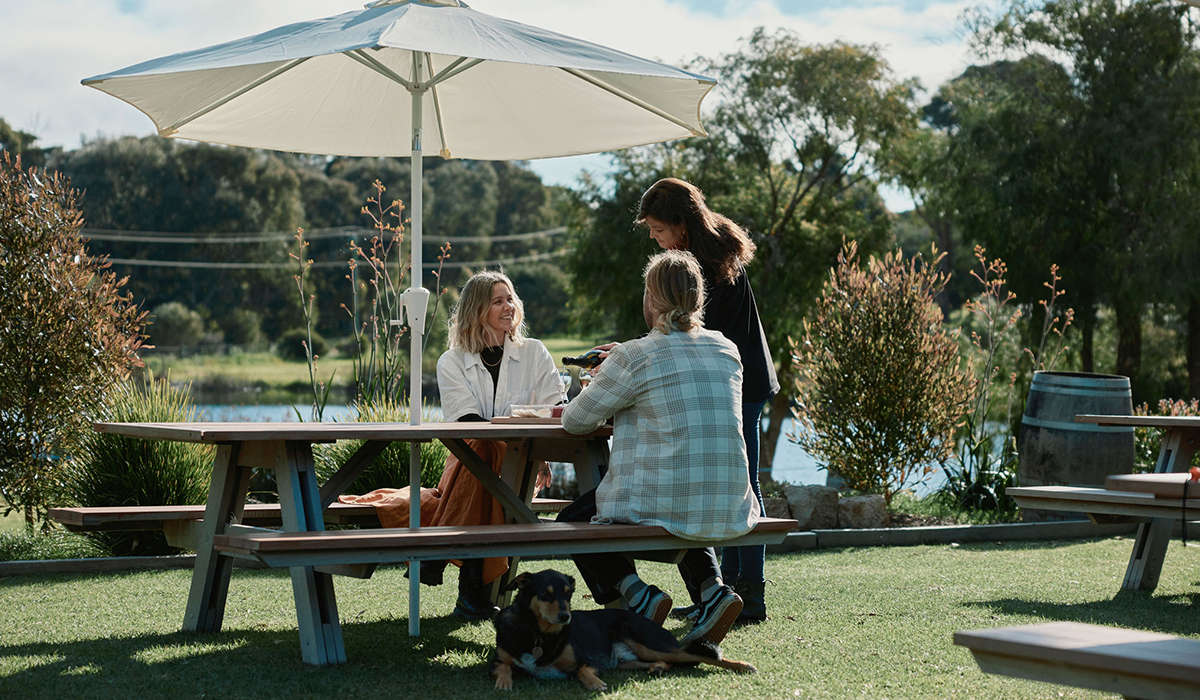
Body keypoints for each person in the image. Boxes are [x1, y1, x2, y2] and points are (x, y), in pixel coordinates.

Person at [557, 250, 760, 647]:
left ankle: (638, 595)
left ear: (651, 299)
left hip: (667, 500)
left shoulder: (635, 355)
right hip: (729, 499)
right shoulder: (726, 349)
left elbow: (575, 421)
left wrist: (598, 379)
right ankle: (713, 592)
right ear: (698, 299)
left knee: (571, 522)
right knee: (685, 501)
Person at [341, 270, 561, 620]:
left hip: (519, 470)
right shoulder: (452, 361)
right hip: (468, 463)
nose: (509, 307)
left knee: (487, 452)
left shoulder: (534, 353)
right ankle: (469, 593)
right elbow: (466, 423)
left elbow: (555, 412)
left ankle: (442, 562)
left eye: (511, 299)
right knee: (483, 450)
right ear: (477, 310)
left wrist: (542, 455)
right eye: (498, 301)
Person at [637, 177, 779, 622]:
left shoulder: (712, 263)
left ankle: (748, 595)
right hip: (728, 378)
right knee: (728, 482)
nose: (657, 240)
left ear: (680, 225)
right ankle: (727, 591)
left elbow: (688, 329)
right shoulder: (703, 252)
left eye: (659, 231)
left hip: (740, 383)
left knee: (743, 484)